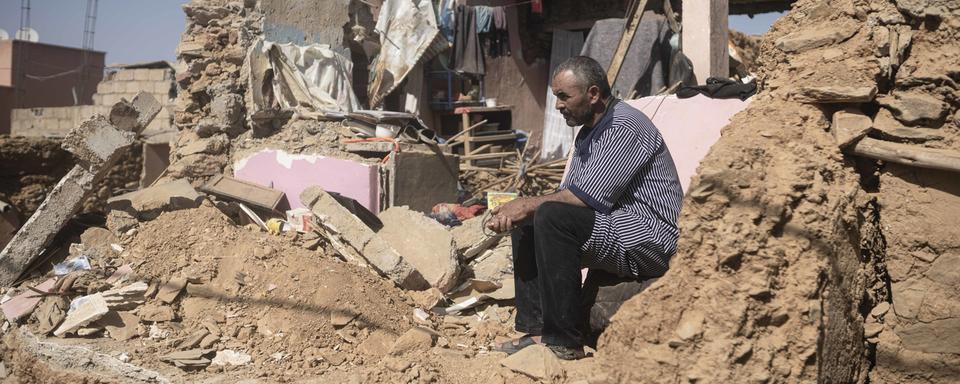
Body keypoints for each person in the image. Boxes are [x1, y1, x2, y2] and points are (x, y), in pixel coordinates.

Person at [486, 56, 683, 360]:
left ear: (592, 94)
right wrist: (522, 210)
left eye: (564, 97)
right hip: (618, 225)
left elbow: (581, 199)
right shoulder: (589, 131)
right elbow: (571, 194)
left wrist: (526, 204)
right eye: (556, 98)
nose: (558, 106)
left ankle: (564, 340)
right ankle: (537, 331)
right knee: (529, 221)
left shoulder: (623, 126)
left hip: (650, 235)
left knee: (548, 215)